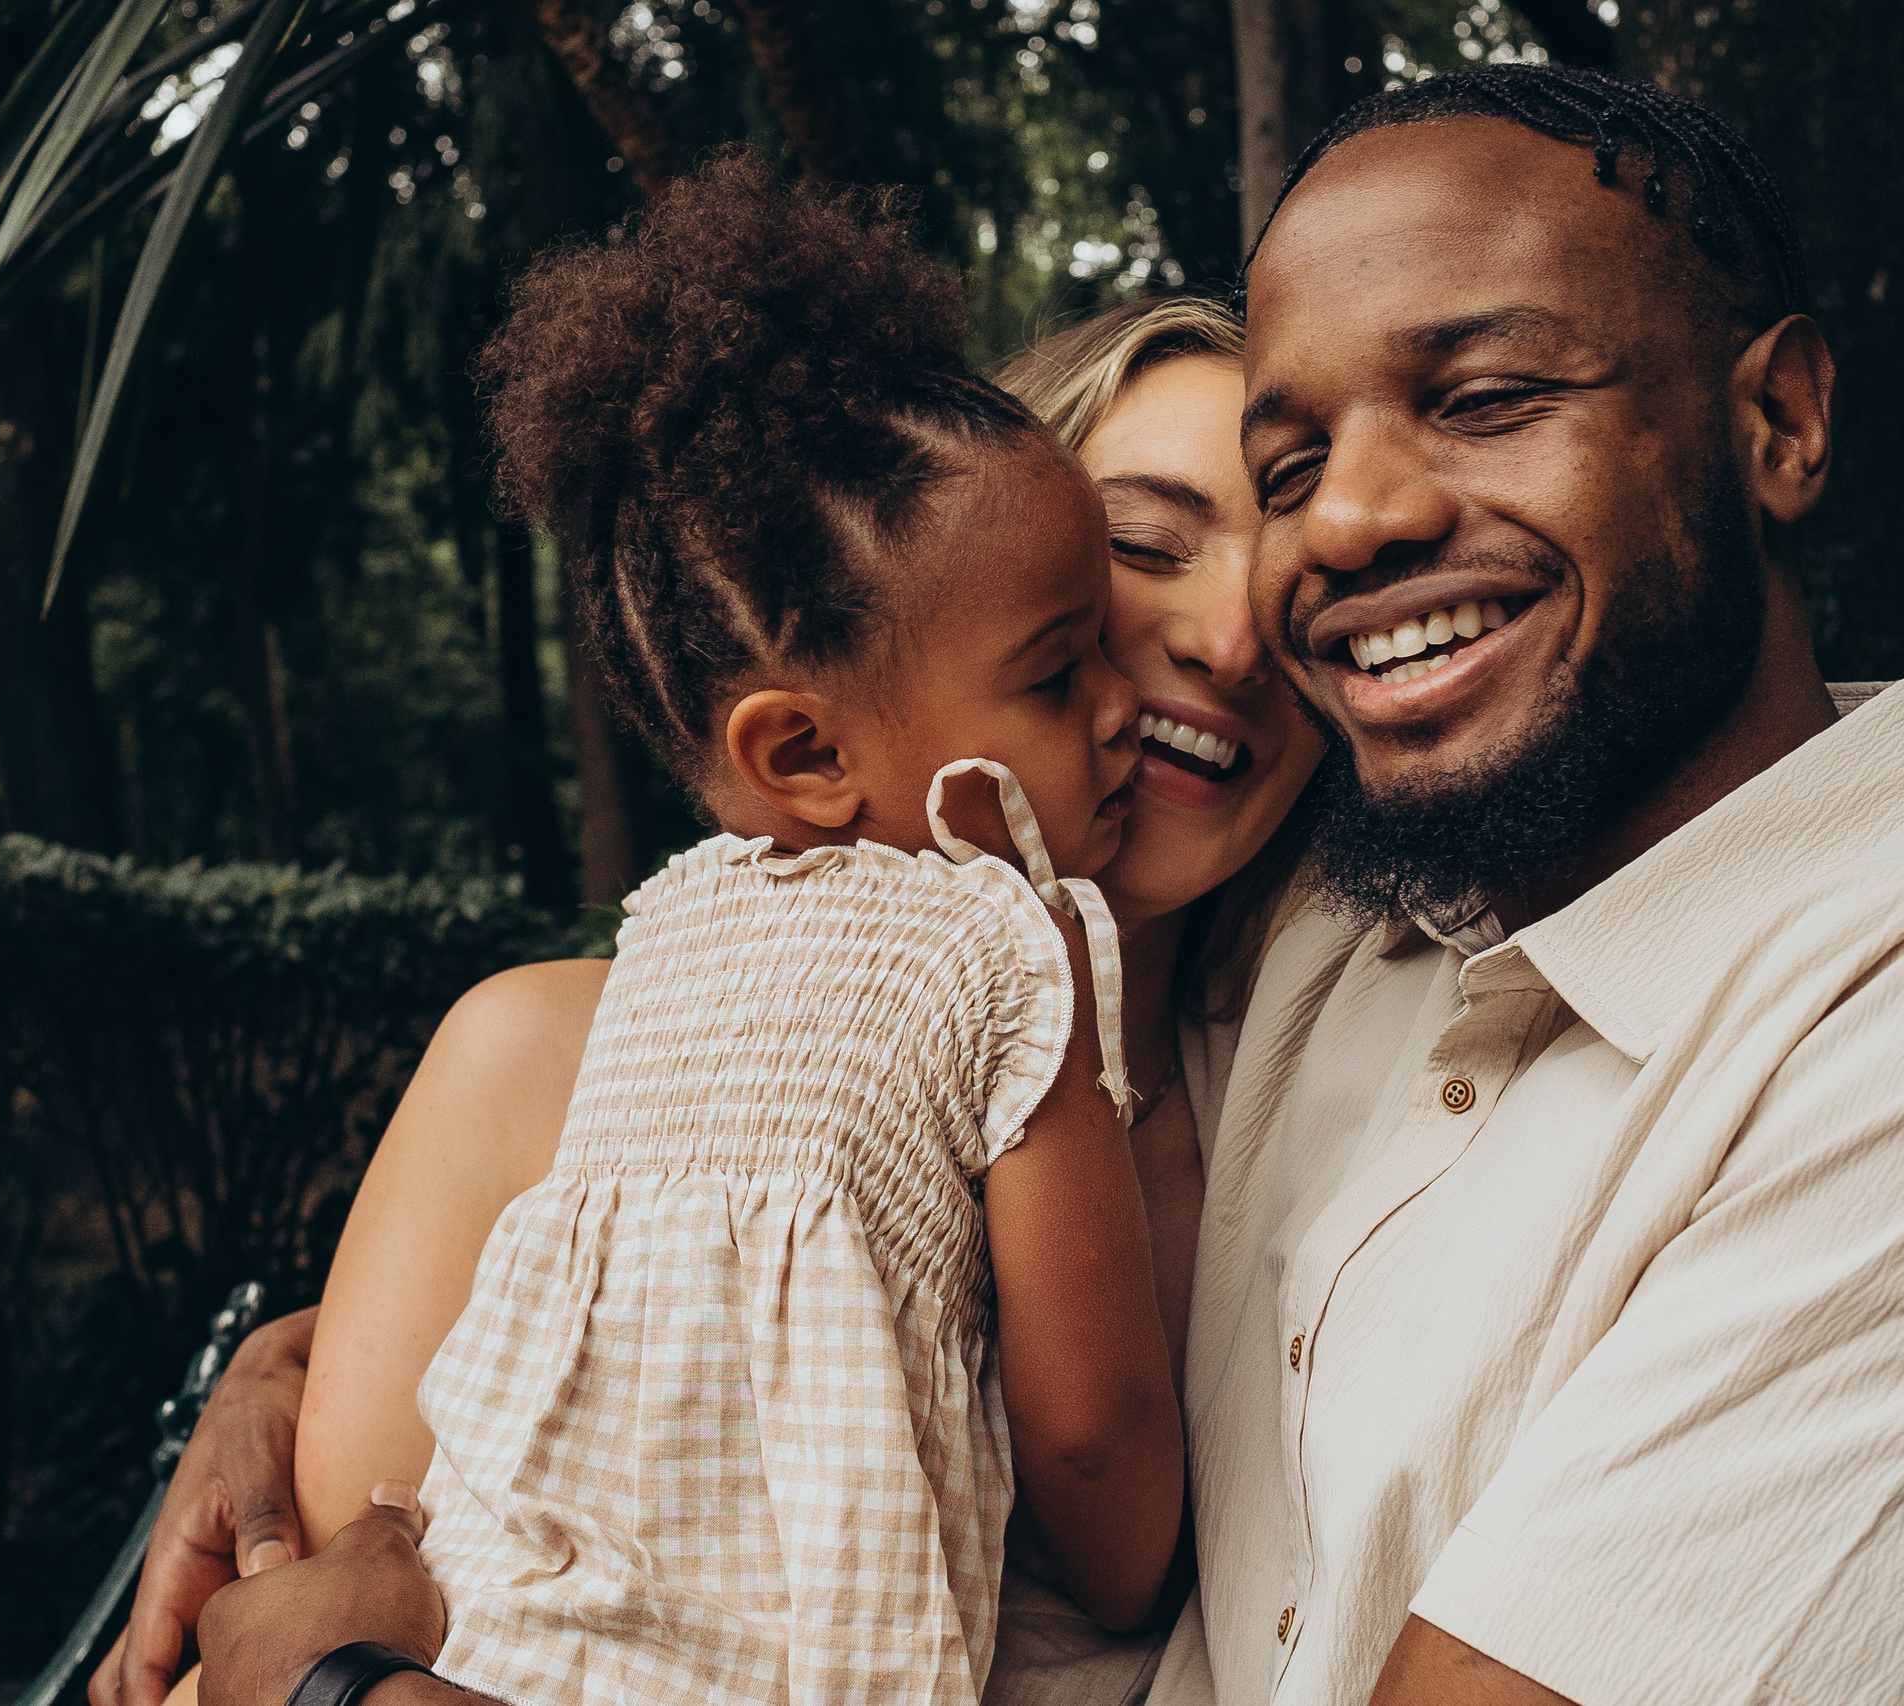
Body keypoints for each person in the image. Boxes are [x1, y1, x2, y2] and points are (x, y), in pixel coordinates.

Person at [147, 63, 1904, 1706]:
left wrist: (347, 1688)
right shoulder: (1337, 960)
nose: (1328, 539)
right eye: (1265, 481)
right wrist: (307, 1376)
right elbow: (754, 1241)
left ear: (1776, 423)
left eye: (1483, 394)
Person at [95, 283, 1320, 1706]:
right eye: (1139, 551)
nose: (1230, 639)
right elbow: (311, 1606)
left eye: (1292, 571)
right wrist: (286, 1408)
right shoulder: (545, 1054)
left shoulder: (1348, 1085)